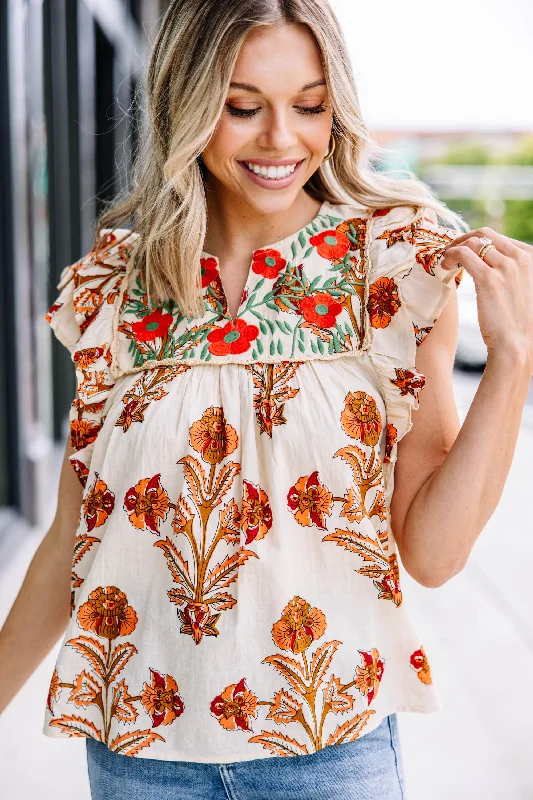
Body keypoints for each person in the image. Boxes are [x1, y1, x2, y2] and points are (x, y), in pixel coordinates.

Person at [1, 1, 533, 798]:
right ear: (184, 104)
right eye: (242, 107)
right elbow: (76, 536)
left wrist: (512, 361)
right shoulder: (116, 289)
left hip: (329, 755)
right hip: (137, 754)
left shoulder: (389, 265)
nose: (281, 138)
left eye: (310, 105)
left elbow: (431, 553)